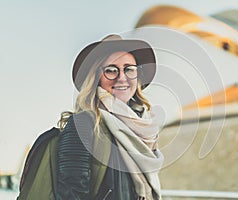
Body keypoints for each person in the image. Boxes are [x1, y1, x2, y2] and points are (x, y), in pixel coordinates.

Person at [56, 34, 163, 200]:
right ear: (96, 77)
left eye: (129, 69)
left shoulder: (144, 128)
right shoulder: (83, 124)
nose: (122, 77)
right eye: (111, 70)